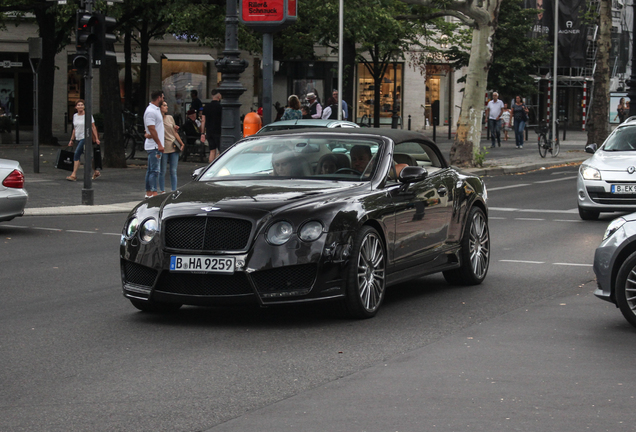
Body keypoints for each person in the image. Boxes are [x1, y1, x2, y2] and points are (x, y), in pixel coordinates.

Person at [66, 99, 100, 182]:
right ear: (76, 107)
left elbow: (93, 127)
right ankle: (96, 171)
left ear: (84, 106)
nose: (80, 106)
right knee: (88, 156)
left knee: (76, 154)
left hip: (85, 138)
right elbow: (74, 129)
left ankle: (73, 174)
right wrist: (71, 139)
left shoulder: (88, 115)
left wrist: (96, 138)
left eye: (82, 105)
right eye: (78, 105)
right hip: (78, 138)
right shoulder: (75, 116)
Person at [158, 101, 184, 193]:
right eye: (164, 105)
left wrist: (181, 143)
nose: (167, 107)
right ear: (160, 107)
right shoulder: (158, 119)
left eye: (166, 105)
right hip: (163, 147)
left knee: (173, 170)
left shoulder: (170, 118)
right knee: (162, 170)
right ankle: (162, 190)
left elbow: (174, 132)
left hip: (173, 145)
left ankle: (174, 189)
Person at [143, 90, 165, 198]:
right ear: (159, 98)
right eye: (163, 98)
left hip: (153, 144)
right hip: (154, 146)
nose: (163, 100)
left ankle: (149, 192)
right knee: (155, 170)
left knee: (151, 170)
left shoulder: (154, 110)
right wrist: (159, 144)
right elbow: (151, 128)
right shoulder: (151, 111)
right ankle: (153, 192)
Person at [201, 89, 222, 162]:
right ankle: (216, 165)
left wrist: (202, 133)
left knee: (212, 150)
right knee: (221, 151)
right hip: (219, 131)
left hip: (209, 131)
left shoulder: (206, 107)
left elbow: (203, 120)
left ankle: (210, 167)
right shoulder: (221, 107)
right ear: (219, 96)